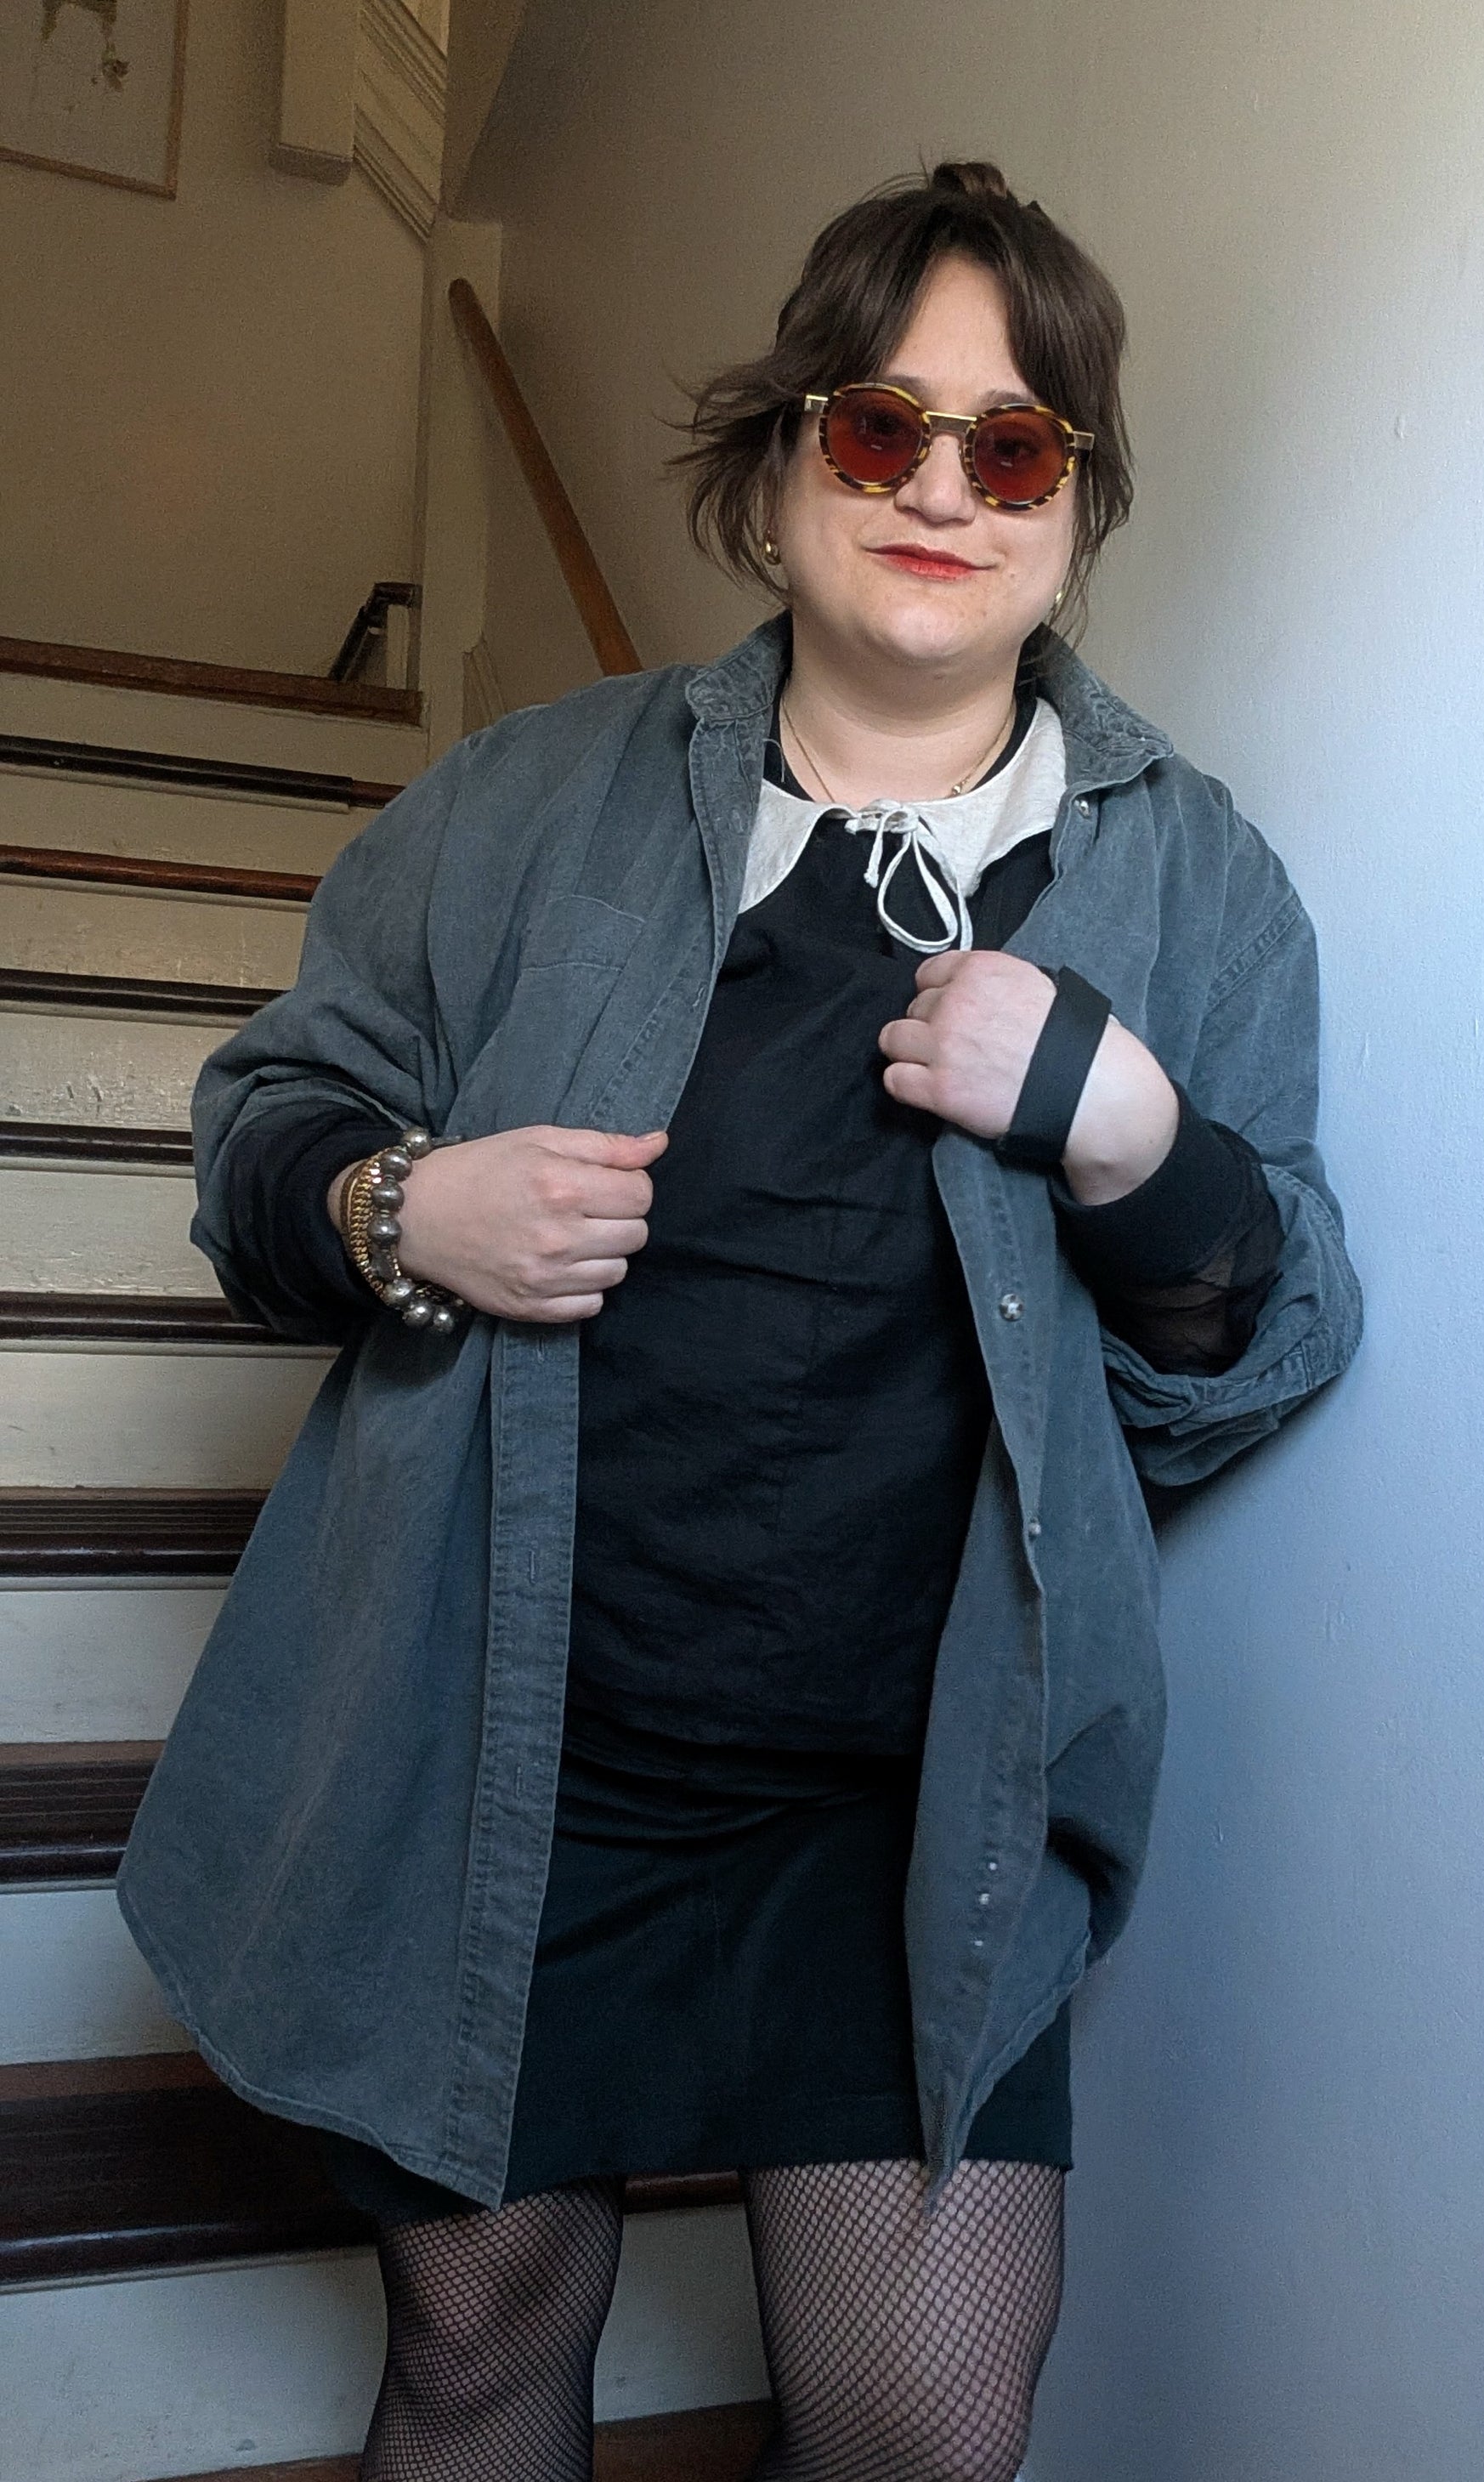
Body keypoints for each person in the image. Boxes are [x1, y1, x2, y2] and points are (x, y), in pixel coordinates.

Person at [117, 162, 1362, 2480]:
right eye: (880, 425)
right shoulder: (521, 802)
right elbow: (263, 1135)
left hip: (919, 1799)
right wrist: (410, 1205)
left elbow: (1249, 1353)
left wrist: (1126, 1134)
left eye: (1012, 448)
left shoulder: (1194, 877)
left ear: (1075, 507)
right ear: (782, 463)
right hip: (515, 1744)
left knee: (922, 2422)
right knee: (478, 2348)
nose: (939, 493)